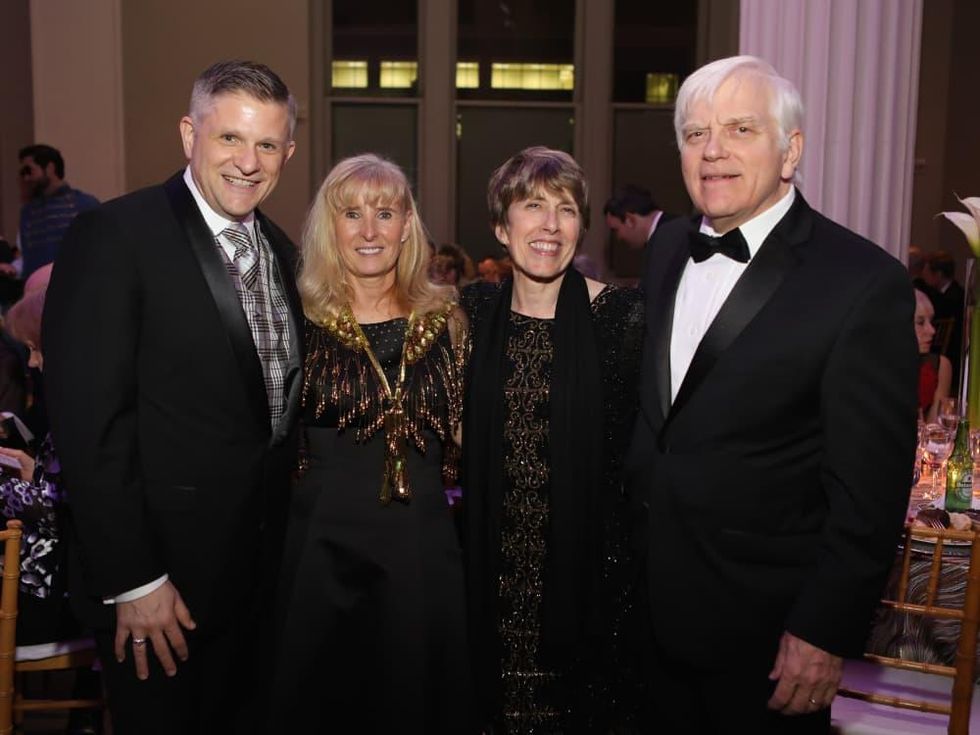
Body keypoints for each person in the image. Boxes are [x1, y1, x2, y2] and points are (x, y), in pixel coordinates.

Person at [627, 55, 917, 733]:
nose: (713, 151)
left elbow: (869, 491)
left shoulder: (861, 283)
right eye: (695, 134)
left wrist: (822, 630)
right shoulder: (667, 245)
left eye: (740, 130)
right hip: (645, 613)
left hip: (762, 634)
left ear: (791, 151)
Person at [42, 60, 303, 734]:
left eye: (267, 144)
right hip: (160, 596)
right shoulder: (116, 237)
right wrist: (134, 579)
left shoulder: (281, 250)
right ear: (190, 133)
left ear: (288, 152)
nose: (249, 162)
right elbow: (88, 424)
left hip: (255, 588)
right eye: (229, 139)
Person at [270, 154, 472, 733]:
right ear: (328, 228)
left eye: (385, 213)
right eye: (351, 214)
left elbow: (468, 435)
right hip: (319, 548)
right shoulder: (297, 318)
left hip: (422, 548)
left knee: (416, 697)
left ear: (407, 224)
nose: (368, 231)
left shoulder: (450, 318)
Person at [461, 146, 645, 732]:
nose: (549, 225)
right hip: (486, 568)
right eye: (532, 206)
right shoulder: (470, 311)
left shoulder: (624, 320)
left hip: (590, 576)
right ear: (500, 226)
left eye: (566, 209)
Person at [18, 144, 100, 280]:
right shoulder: (28, 212)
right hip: (37, 295)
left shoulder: (85, 205)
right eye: (23, 173)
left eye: (29, 171)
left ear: (50, 168)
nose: (26, 178)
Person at [915, 288, 952, 423]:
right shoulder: (877, 367)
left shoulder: (940, 366)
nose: (932, 330)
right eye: (920, 322)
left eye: (931, 321)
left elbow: (935, 432)